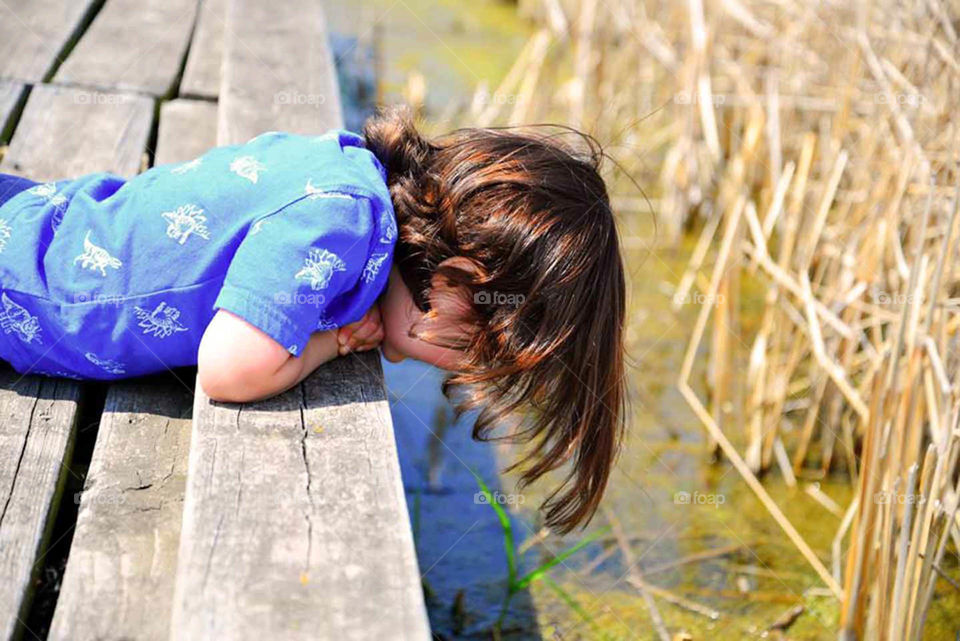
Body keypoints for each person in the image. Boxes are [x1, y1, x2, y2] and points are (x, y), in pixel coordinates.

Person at [0, 106, 626, 532]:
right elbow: (228, 370)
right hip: (21, 289)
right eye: (482, 352)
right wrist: (330, 344)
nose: (465, 369)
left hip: (37, 222)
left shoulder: (354, 180)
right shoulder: (344, 222)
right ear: (457, 283)